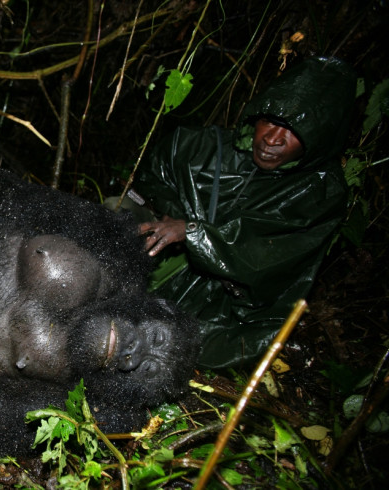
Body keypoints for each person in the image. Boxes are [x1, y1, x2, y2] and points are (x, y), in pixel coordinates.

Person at [131, 57, 357, 369]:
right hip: (158, 268)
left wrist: (194, 233)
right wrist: (174, 216)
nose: (272, 139)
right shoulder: (205, 146)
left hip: (226, 315)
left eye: (293, 131)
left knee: (168, 353)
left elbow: (263, 259)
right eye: (270, 121)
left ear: (319, 140)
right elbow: (150, 177)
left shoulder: (318, 193)